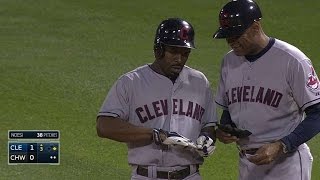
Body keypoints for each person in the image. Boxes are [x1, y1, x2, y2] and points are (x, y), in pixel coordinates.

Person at [96, 18, 217, 180]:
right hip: (147, 175)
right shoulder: (131, 82)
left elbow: (208, 125)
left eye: (185, 53)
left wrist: (207, 139)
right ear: (158, 50)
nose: (179, 59)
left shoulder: (199, 82)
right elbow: (104, 126)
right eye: (174, 52)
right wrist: (152, 134)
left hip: (190, 175)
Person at [212, 0, 320, 180]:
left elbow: (317, 113)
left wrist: (282, 145)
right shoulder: (228, 62)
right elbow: (229, 109)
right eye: (227, 36)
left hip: (286, 164)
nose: (231, 42)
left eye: (236, 35)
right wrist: (226, 128)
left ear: (255, 27)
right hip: (247, 163)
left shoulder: (292, 60)